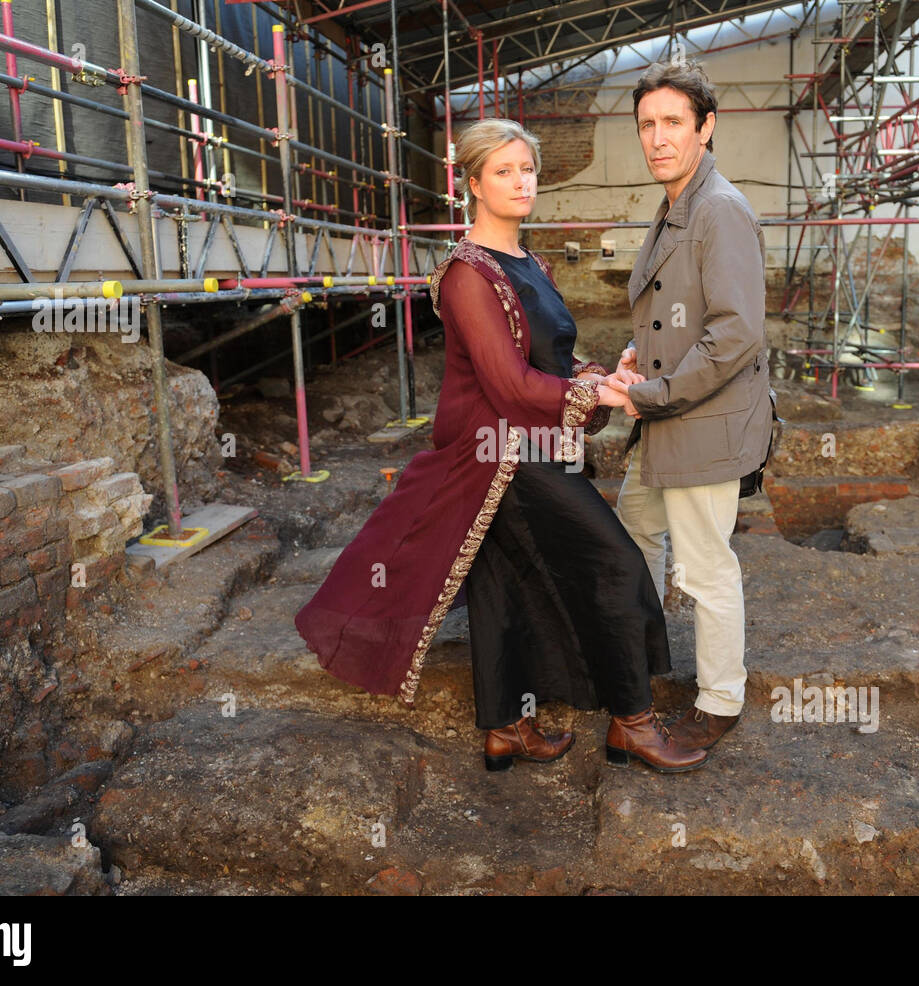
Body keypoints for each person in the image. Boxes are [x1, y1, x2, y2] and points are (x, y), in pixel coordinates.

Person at [294, 118, 708, 774]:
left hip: (530, 446)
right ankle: (634, 721)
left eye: (528, 169)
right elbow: (508, 384)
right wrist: (597, 399)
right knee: (616, 565)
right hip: (496, 456)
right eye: (505, 171)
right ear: (473, 185)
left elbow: (547, 362)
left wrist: (601, 375)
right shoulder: (466, 275)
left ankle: (507, 728)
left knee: (503, 584)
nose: (522, 182)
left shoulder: (530, 263)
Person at [605, 61, 774, 752]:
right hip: (667, 422)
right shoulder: (677, 203)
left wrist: (650, 395)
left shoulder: (719, 209)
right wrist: (632, 358)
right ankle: (639, 670)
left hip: (700, 424)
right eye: (647, 124)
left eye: (673, 122)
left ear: (706, 127)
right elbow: (676, 314)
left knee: (705, 568)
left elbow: (735, 332)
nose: (657, 137)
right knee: (633, 536)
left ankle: (719, 702)